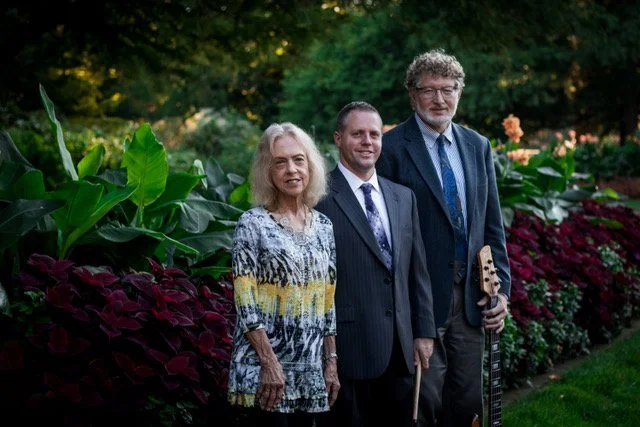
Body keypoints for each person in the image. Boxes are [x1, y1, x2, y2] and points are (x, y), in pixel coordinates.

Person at [377, 48, 512, 426]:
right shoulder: (391, 149)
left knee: (467, 402)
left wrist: (502, 291)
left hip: (472, 297)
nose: (439, 99)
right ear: (412, 95)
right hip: (419, 299)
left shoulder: (477, 145)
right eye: (428, 90)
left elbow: (492, 225)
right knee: (424, 401)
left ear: (459, 92)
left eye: (448, 89)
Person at [316, 101, 436, 427]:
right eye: (358, 134)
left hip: (401, 348)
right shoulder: (318, 198)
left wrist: (424, 332)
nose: (367, 142)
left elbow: (417, 271)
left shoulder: (403, 197)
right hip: (348, 349)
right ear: (338, 138)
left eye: (374, 134)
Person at [227, 122, 340, 427]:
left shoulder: (324, 226)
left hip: (310, 373)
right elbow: (245, 303)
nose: (291, 170)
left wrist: (331, 362)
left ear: (310, 165)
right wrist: (269, 363)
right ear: (267, 170)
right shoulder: (252, 223)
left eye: (298, 159)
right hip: (264, 372)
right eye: (280, 162)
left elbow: (328, 301)